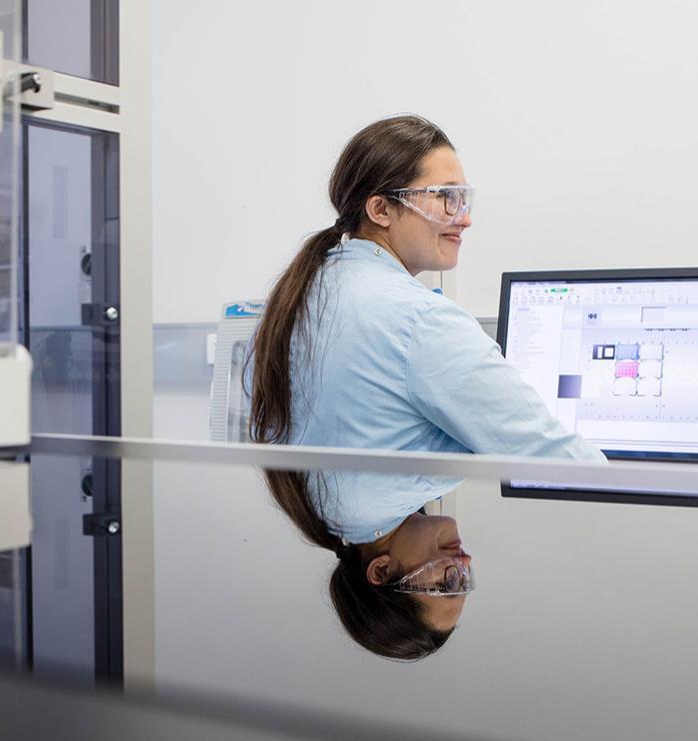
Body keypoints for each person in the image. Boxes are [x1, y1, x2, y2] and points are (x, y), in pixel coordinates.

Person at [248, 114, 605, 659]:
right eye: (444, 198)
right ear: (380, 209)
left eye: (444, 584)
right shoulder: (410, 317)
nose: (462, 218)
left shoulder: (318, 293)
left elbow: (550, 458)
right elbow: (557, 459)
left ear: (382, 570)